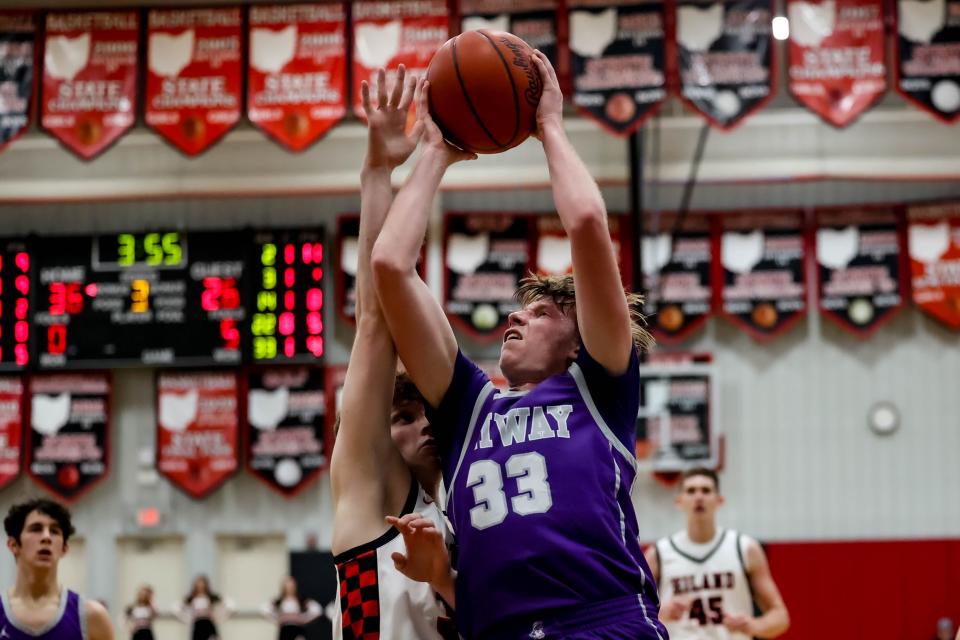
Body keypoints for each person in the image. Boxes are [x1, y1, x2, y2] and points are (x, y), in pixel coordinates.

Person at [371, 51, 665, 639]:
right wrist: (433, 151)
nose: (515, 315)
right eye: (519, 307)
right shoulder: (467, 408)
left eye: (541, 312)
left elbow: (585, 223)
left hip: (602, 623)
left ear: (580, 341)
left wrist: (549, 124)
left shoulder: (599, 390)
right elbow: (390, 266)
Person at [329, 64, 454, 640]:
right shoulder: (371, 484)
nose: (422, 426)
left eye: (424, 410)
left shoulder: (465, 503)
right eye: (401, 417)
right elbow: (376, 320)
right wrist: (377, 170)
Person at [644, 468, 790, 639]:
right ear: (679, 501)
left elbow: (780, 616)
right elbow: (636, 616)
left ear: (719, 500)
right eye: (691, 491)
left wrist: (753, 625)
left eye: (706, 490)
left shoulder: (744, 548)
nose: (699, 497)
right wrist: (659, 616)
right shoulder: (659, 553)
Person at [1, 498, 113, 640]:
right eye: (36, 529)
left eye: (54, 531)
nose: (46, 537)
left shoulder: (92, 617)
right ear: (13, 545)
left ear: (64, 548)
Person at [177, 575, 229, 640]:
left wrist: (219, 616)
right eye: (199, 583)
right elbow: (178, 607)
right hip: (198, 625)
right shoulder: (191, 597)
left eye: (202, 583)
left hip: (208, 624)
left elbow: (227, 604)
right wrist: (188, 618)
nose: (200, 585)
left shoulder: (211, 597)